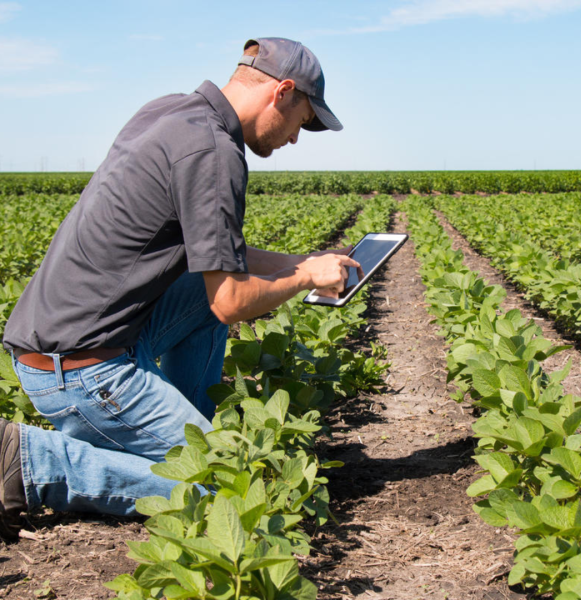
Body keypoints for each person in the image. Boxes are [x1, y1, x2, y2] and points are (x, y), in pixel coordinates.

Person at [0, 37, 359, 542]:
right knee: (224, 491)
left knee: (204, 281)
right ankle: (34, 462)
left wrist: (304, 261)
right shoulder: (216, 153)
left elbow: (217, 256)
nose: (296, 139)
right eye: (303, 120)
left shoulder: (171, 113)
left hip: (68, 340)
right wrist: (304, 279)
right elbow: (230, 300)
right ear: (281, 92)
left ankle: (187, 425)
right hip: (81, 369)